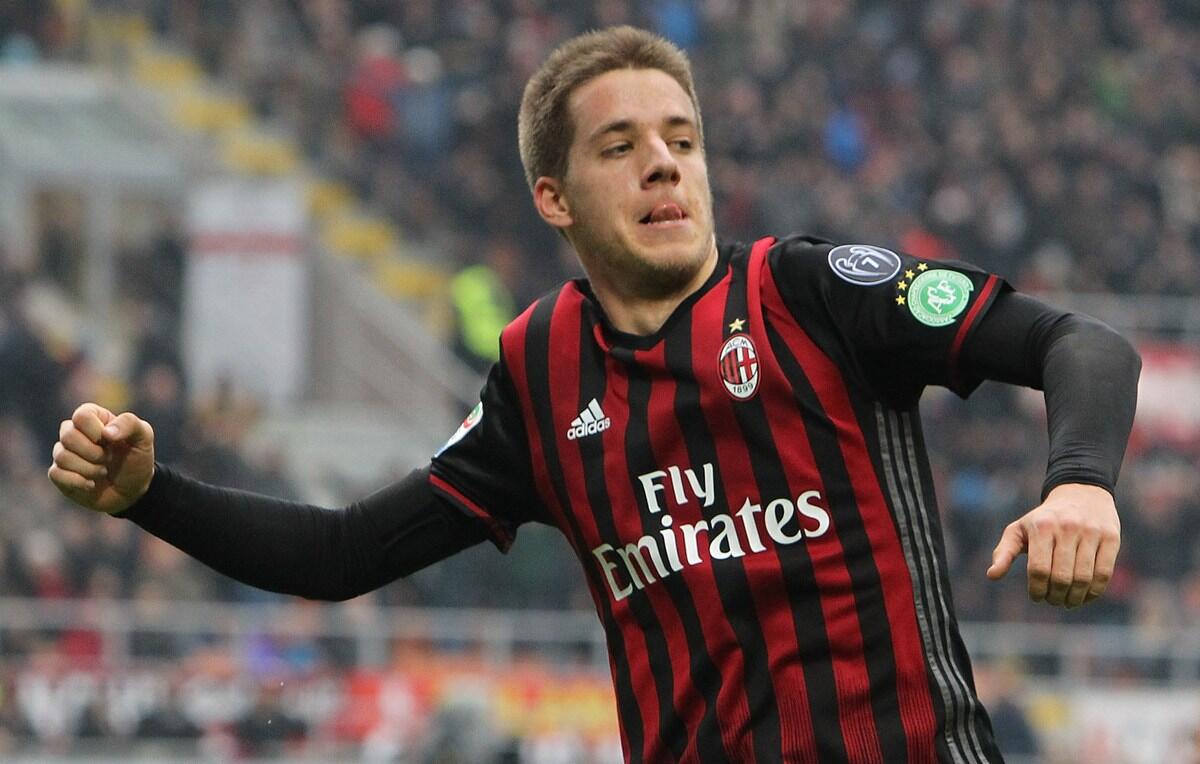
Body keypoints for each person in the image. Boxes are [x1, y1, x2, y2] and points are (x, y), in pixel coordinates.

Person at [48, 26, 1139, 763]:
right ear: (553, 196)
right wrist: (150, 493)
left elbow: (1081, 343)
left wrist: (1080, 482)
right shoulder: (539, 373)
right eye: (621, 147)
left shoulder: (810, 294)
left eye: (682, 140)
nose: (665, 165)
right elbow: (340, 555)